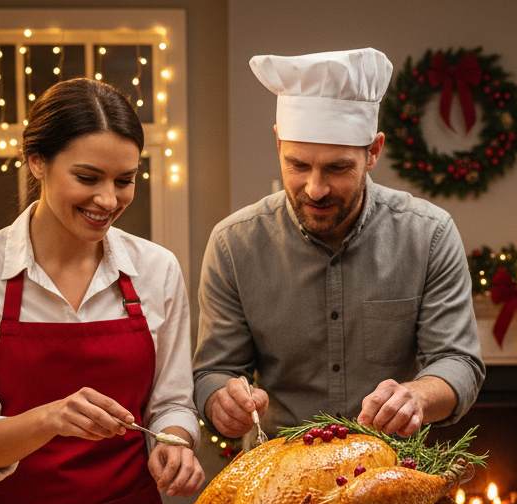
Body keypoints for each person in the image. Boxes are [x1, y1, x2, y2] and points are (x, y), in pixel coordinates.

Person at [0, 78, 203, 504]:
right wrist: (48, 419)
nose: (108, 200)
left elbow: (172, 403)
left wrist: (174, 441)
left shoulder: (157, 270)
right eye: (87, 177)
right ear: (36, 162)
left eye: (125, 180)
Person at [194, 48, 484, 440]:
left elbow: (458, 361)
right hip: (281, 474)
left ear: (373, 152)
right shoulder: (234, 244)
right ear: (279, 143)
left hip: (389, 469)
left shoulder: (428, 234)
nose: (315, 189)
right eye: (298, 165)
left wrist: (416, 395)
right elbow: (215, 371)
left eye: (338, 167)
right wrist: (220, 400)